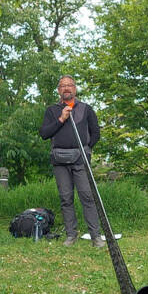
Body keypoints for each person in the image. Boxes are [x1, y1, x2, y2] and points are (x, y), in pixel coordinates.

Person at [39, 75, 104, 248]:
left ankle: (95, 236)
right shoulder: (52, 111)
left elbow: (96, 133)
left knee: (87, 197)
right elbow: (44, 134)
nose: (67, 88)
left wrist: (86, 148)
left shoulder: (86, 109)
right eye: (63, 86)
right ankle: (71, 235)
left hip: (80, 160)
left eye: (70, 85)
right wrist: (61, 119)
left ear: (75, 89)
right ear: (59, 90)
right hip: (60, 160)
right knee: (66, 198)